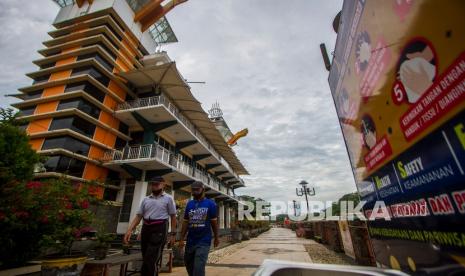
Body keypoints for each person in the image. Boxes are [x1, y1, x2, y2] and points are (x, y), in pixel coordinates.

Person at [124, 176, 177, 276]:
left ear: (163, 185)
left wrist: (173, 234)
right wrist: (129, 230)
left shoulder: (168, 198)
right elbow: (139, 216)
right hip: (146, 228)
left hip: (160, 228)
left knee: (150, 259)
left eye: (157, 184)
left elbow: (173, 217)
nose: (154, 186)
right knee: (147, 258)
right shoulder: (146, 199)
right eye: (153, 184)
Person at [179, 181, 219, 276]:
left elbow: (214, 223)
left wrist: (216, 238)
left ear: (203, 190)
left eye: (197, 189)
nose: (195, 192)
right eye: (193, 190)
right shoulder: (190, 204)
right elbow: (185, 222)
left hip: (204, 241)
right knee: (188, 263)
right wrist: (181, 239)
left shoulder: (210, 204)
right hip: (190, 240)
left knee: (199, 267)